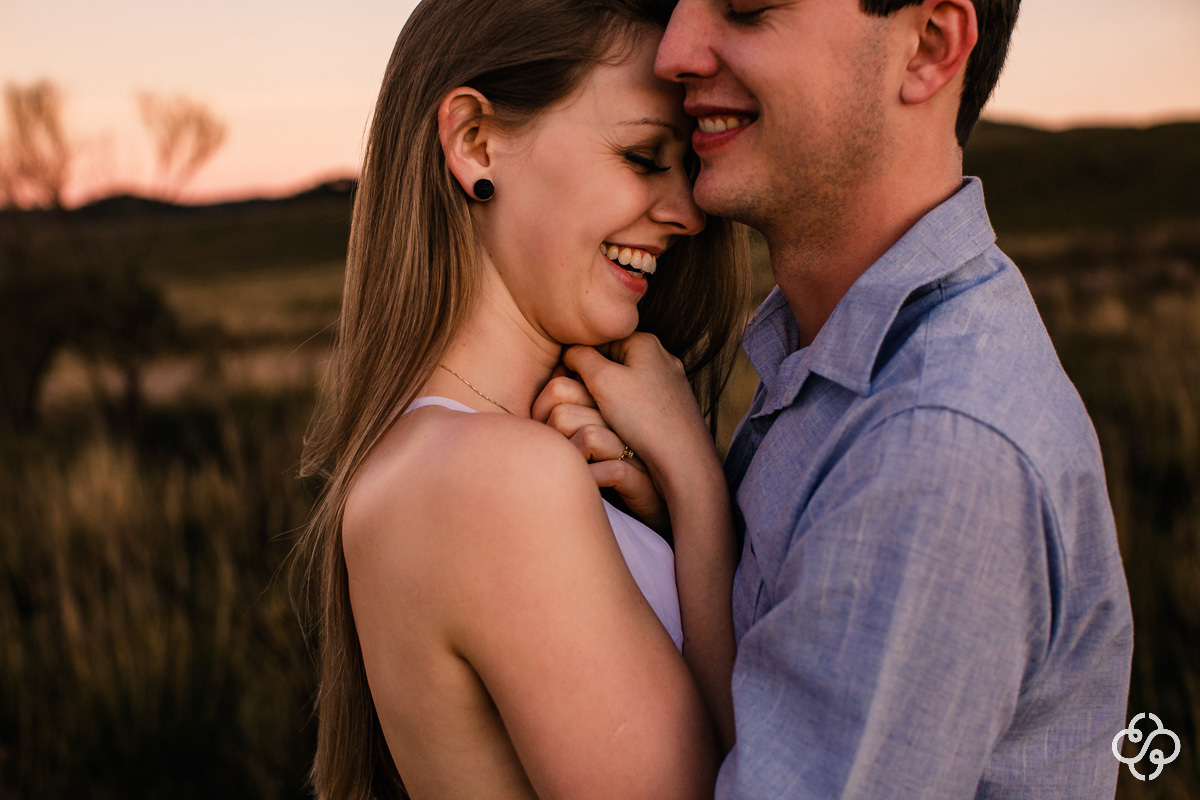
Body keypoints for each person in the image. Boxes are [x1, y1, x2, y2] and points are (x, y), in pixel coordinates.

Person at [546, 0, 1136, 797]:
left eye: (746, 8)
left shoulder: (936, 450)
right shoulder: (848, 352)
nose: (676, 51)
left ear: (927, 47)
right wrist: (691, 501)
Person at [294, 0, 752, 798]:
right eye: (646, 156)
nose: (687, 212)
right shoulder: (493, 482)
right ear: (475, 141)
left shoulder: (460, 459)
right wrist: (699, 493)